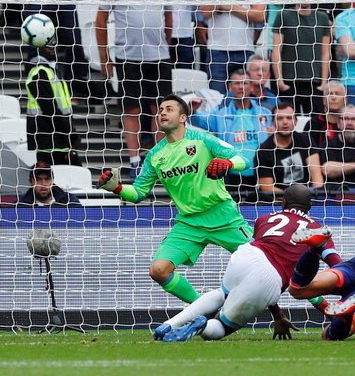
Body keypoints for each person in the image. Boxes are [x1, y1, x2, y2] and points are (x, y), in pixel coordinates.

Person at [96, 95, 253, 304]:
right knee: (158, 269)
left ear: (183, 117)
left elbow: (244, 159)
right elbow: (139, 192)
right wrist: (116, 188)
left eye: (169, 109)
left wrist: (227, 164)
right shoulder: (155, 155)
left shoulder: (202, 138)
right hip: (188, 223)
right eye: (160, 109)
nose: (162, 112)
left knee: (267, 261)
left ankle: (314, 299)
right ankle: (205, 308)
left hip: (223, 215)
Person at [154, 185, 342, 342]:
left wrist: (278, 315)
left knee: (222, 294)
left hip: (245, 254)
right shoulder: (318, 230)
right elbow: (338, 266)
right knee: (222, 326)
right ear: (310, 207)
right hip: (271, 276)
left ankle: (168, 325)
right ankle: (202, 327)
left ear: (283, 202)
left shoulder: (265, 220)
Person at [97, 0, 173, 178]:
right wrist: (104, 57)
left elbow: (169, 16)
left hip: (158, 57)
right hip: (127, 57)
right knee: (132, 108)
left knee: (160, 110)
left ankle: (158, 160)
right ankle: (134, 161)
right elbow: (100, 20)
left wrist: (164, 43)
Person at [190, 70, 273, 191]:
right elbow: (196, 120)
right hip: (230, 175)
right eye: (237, 83)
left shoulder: (265, 112)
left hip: (261, 175)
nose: (240, 87)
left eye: (244, 83)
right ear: (230, 87)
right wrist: (192, 110)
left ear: (251, 87)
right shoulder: (220, 114)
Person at [271, 0, 331, 116]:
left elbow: (325, 52)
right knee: (290, 122)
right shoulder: (284, 15)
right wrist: (280, 81)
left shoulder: (322, 17)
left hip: (314, 83)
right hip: (289, 81)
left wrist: (323, 82)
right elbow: (276, 50)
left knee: (316, 124)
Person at [24, 43, 81, 166]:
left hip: (61, 143)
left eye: (53, 44)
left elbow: (63, 110)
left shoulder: (53, 71)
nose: (52, 48)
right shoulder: (39, 74)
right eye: (46, 45)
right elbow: (51, 111)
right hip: (50, 144)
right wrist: (72, 135)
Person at [254, 102, 324, 194]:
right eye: (280, 118)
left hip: (308, 198)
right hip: (278, 202)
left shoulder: (306, 141)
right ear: (273, 122)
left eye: (289, 118)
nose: (285, 122)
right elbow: (267, 188)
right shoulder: (263, 151)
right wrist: (292, 199)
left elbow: (317, 180)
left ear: (295, 121)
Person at [17, 161, 82, 207]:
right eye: (38, 180)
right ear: (31, 182)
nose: (43, 184)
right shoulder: (20, 205)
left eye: (47, 179)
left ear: (52, 181)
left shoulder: (69, 201)